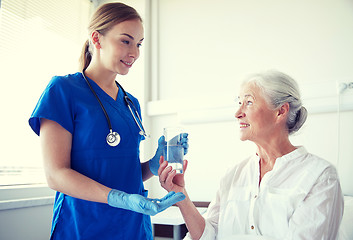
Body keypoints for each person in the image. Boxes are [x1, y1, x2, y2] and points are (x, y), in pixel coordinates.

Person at [28, 3, 188, 240]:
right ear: (97, 39)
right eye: (126, 41)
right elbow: (56, 174)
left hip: (133, 226)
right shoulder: (63, 90)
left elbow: (124, 172)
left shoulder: (130, 103)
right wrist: (119, 198)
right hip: (84, 225)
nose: (134, 52)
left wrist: (153, 165)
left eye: (139, 44)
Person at [158, 70, 344, 240]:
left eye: (248, 102)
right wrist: (180, 195)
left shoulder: (320, 176)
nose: (237, 113)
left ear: (280, 111)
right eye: (239, 103)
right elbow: (209, 235)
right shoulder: (233, 175)